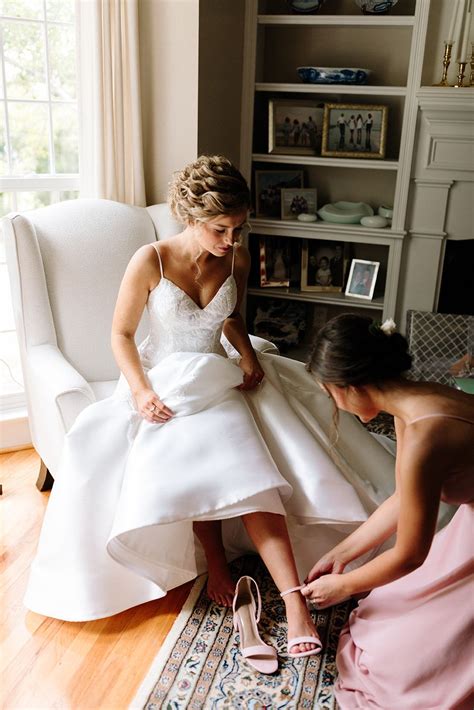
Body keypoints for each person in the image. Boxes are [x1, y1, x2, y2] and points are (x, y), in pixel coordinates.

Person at [24, 156, 394, 659]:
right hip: (165, 380)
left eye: (237, 230)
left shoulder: (236, 258)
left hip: (218, 372)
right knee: (206, 445)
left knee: (248, 455)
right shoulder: (150, 260)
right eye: (220, 229)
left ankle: (291, 601)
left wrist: (246, 356)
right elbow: (121, 334)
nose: (230, 241)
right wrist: (140, 391)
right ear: (190, 218)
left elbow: (231, 317)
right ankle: (217, 562)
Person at [302, 314, 474, 709]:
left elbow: (412, 554)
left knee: (406, 670)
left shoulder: (426, 434)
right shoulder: (410, 402)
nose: (336, 404)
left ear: (353, 386)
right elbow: (403, 498)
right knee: (392, 615)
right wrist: (342, 552)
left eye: (332, 394)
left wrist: (344, 586)